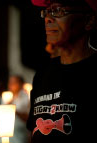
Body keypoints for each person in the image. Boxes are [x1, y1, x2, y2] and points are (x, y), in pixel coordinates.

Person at [27, 0, 97, 143]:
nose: (48, 18)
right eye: (47, 11)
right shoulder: (42, 75)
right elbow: (34, 132)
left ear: (89, 20)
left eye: (58, 10)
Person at [7, 75, 31, 143]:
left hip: (20, 135)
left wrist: (13, 110)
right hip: (5, 134)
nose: (11, 84)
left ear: (21, 84)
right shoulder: (5, 97)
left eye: (14, 82)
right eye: (10, 82)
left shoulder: (27, 98)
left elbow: (28, 117)